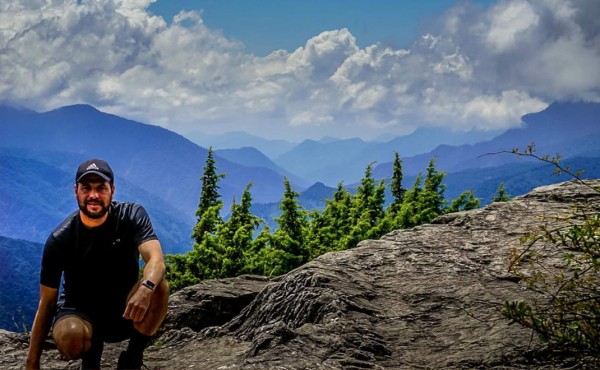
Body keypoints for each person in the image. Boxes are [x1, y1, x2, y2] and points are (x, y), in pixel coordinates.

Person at [26, 159, 169, 370]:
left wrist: (146, 289)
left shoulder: (131, 216)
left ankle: (132, 358)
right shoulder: (60, 239)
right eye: (86, 188)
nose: (94, 195)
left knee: (159, 287)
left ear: (112, 190)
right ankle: (90, 361)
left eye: (101, 188)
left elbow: (156, 260)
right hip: (79, 311)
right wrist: (32, 362)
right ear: (76, 191)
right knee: (69, 337)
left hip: (125, 309)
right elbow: (46, 303)